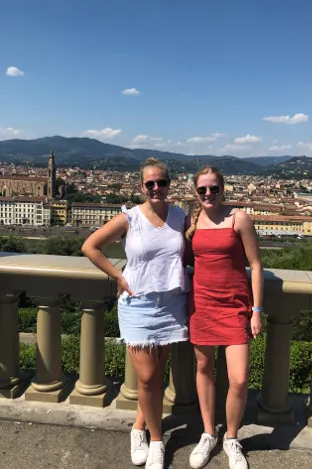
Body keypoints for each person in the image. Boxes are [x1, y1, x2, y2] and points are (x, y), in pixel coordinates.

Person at [81, 157, 189, 469]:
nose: (156, 188)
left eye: (162, 182)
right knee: (148, 376)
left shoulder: (181, 215)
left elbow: (195, 249)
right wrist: (118, 276)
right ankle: (157, 442)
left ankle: (138, 428)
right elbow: (91, 247)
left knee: (156, 376)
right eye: (150, 183)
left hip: (171, 303)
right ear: (141, 187)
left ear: (169, 185)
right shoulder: (129, 218)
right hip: (138, 305)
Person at [185, 166, 264, 469]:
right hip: (202, 305)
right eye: (202, 190)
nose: (208, 194)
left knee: (239, 379)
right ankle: (208, 433)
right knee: (203, 368)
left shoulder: (238, 218)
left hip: (234, 306)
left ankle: (231, 438)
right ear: (196, 192)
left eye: (213, 189)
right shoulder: (193, 223)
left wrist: (256, 310)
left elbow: (255, 264)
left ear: (222, 189)